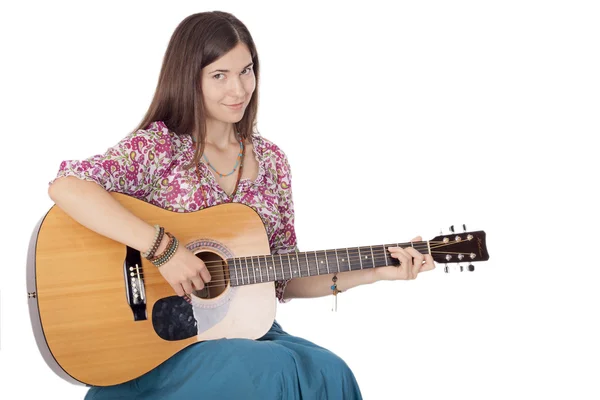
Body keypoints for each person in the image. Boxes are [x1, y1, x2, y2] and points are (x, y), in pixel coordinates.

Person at [47, 11, 435, 400]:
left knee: (331, 373)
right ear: (190, 78)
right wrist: (164, 251)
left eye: (246, 71)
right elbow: (67, 187)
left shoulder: (271, 162)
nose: (239, 89)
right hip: (163, 344)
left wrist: (375, 272)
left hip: (244, 329)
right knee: (272, 371)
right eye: (220, 75)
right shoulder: (160, 146)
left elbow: (284, 276)